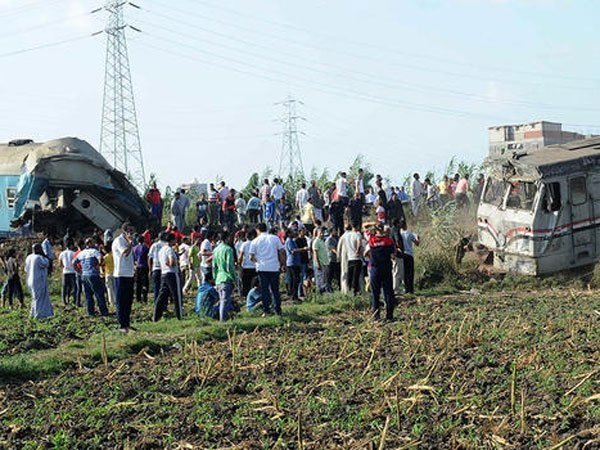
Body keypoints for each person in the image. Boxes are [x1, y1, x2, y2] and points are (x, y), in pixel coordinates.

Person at [249, 223, 285, 315]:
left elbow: (251, 257)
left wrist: (257, 261)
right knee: (275, 290)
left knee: (265, 290)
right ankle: (278, 310)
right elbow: (281, 252)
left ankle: (267, 310)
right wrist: (282, 264)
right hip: (274, 267)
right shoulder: (275, 238)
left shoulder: (255, 241)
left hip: (262, 268)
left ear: (257, 230)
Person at [365, 225, 396, 321]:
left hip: (375, 268)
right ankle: (389, 315)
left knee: (375, 293)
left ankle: (376, 315)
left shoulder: (371, 240)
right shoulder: (389, 240)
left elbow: (366, 253)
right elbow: (393, 254)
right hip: (386, 268)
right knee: (388, 292)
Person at [73, 238, 109, 317]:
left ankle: (90, 312)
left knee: (88, 295)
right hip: (93, 275)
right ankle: (103, 312)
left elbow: (73, 263)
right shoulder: (94, 251)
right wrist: (98, 265)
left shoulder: (81, 253)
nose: (95, 244)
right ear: (89, 243)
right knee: (99, 293)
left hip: (84, 275)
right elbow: (101, 258)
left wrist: (79, 271)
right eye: (93, 242)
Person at [153, 233, 184, 321]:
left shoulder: (161, 250)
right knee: (176, 295)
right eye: (174, 239)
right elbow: (171, 262)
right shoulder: (170, 249)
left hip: (163, 273)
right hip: (171, 273)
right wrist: (174, 263)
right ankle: (179, 316)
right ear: (171, 240)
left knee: (162, 295)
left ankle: (156, 316)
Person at [112, 222, 135, 332]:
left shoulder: (128, 241)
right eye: (129, 231)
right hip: (120, 274)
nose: (131, 233)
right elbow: (125, 253)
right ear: (124, 231)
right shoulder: (119, 241)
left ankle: (127, 323)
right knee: (121, 301)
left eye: (132, 231)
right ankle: (122, 325)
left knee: (128, 300)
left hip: (129, 273)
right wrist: (130, 244)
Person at [212, 230, 237, 321]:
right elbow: (229, 265)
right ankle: (223, 321)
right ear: (227, 238)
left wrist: (215, 277)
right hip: (226, 278)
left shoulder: (216, 249)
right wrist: (234, 277)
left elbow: (214, 266)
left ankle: (223, 319)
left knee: (222, 300)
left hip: (218, 278)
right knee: (224, 301)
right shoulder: (228, 249)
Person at [25, 243, 53, 319]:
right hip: (37, 280)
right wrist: (45, 255)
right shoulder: (38, 258)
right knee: (39, 298)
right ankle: (38, 315)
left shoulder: (29, 257)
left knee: (34, 298)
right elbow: (46, 264)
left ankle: (33, 313)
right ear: (38, 249)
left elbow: (26, 269)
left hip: (30, 280)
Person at [400, 219, 420, 294]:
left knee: (404, 272)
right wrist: (418, 238)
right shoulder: (410, 233)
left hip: (402, 254)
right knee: (410, 272)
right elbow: (417, 243)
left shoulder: (399, 234)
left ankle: (406, 289)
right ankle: (411, 289)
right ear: (406, 225)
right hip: (409, 254)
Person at [344, 225, 363, 295]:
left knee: (350, 276)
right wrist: (357, 250)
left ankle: (350, 291)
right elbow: (359, 243)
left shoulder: (346, 235)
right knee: (356, 277)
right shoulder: (357, 234)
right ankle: (355, 292)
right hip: (357, 258)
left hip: (349, 258)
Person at [148, 232, 168, 302]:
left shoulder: (154, 245)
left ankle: (156, 305)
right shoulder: (167, 245)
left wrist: (150, 270)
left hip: (156, 268)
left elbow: (150, 258)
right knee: (164, 289)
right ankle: (164, 305)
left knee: (156, 288)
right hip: (165, 269)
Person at [238, 229, 257, 297]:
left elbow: (240, 257)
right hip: (254, 267)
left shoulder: (244, 244)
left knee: (246, 285)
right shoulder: (255, 243)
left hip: (246, 267)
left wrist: (239, 266)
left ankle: (247, 298)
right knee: (255, 284)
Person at [284, 228, 301, 300]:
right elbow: (293, 251)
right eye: (292, 232)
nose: (294, 233)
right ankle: (294, 295)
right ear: (289, 234)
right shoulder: (289, 241)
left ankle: (294, 295)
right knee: (294, 279)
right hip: (292, 263)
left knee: (295, 279)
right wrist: (303, 249)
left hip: (295, 262)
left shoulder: (293, 241)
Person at [312, 227, 331, 294]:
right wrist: (318, 264)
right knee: (320, 280)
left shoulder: (322, 241)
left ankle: (324, 292)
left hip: (325, 263)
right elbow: (315, 254)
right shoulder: (316, 241)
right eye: (320, 233)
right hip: (320, 264)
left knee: (324, 279)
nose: (322, 234)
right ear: (317, 233)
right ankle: (319, 294)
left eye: (323, 233)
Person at [58, 240, 76, 306]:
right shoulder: (73, 253)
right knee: (73, 286)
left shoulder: (62, 253)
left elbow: (60, 263)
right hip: (72, 271)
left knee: (64, 287)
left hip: (65, 271)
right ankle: (74, 299)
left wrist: (63, 267)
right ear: (71, 246)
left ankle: (64, 300)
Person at [133, 235, 149, 303]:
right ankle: (144, 298)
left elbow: (134, 258)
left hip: (137, 267)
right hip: (144, 266)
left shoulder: (134, 248)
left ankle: (138, 298)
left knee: (138, 283)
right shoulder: (145, 247)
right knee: (145, 283)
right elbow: (147, 256)